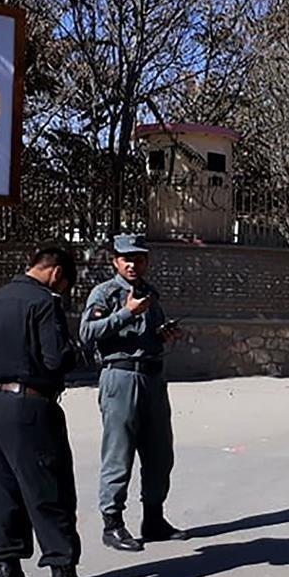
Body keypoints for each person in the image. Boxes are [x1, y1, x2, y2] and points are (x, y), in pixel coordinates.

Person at [0, 246, 103, 577]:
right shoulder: (45, 302)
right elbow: (55, 358)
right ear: (56, 272)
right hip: (27, 406)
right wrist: (77, 352)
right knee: (49, 490)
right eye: (65, 283)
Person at [80, 234, 187, 552]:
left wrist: (165, 335)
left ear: (147, 262)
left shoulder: (150, 295)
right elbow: (87, 333)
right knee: (119, 453)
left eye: (139, 259)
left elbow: (149, 335)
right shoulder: (105, 293)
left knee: (160, 454)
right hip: (121, 377)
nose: (132, 264)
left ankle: (154, 519)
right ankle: (112, 524)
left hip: (153, 378)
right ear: (115, 260)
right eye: (126, 258)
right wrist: (126, 312)